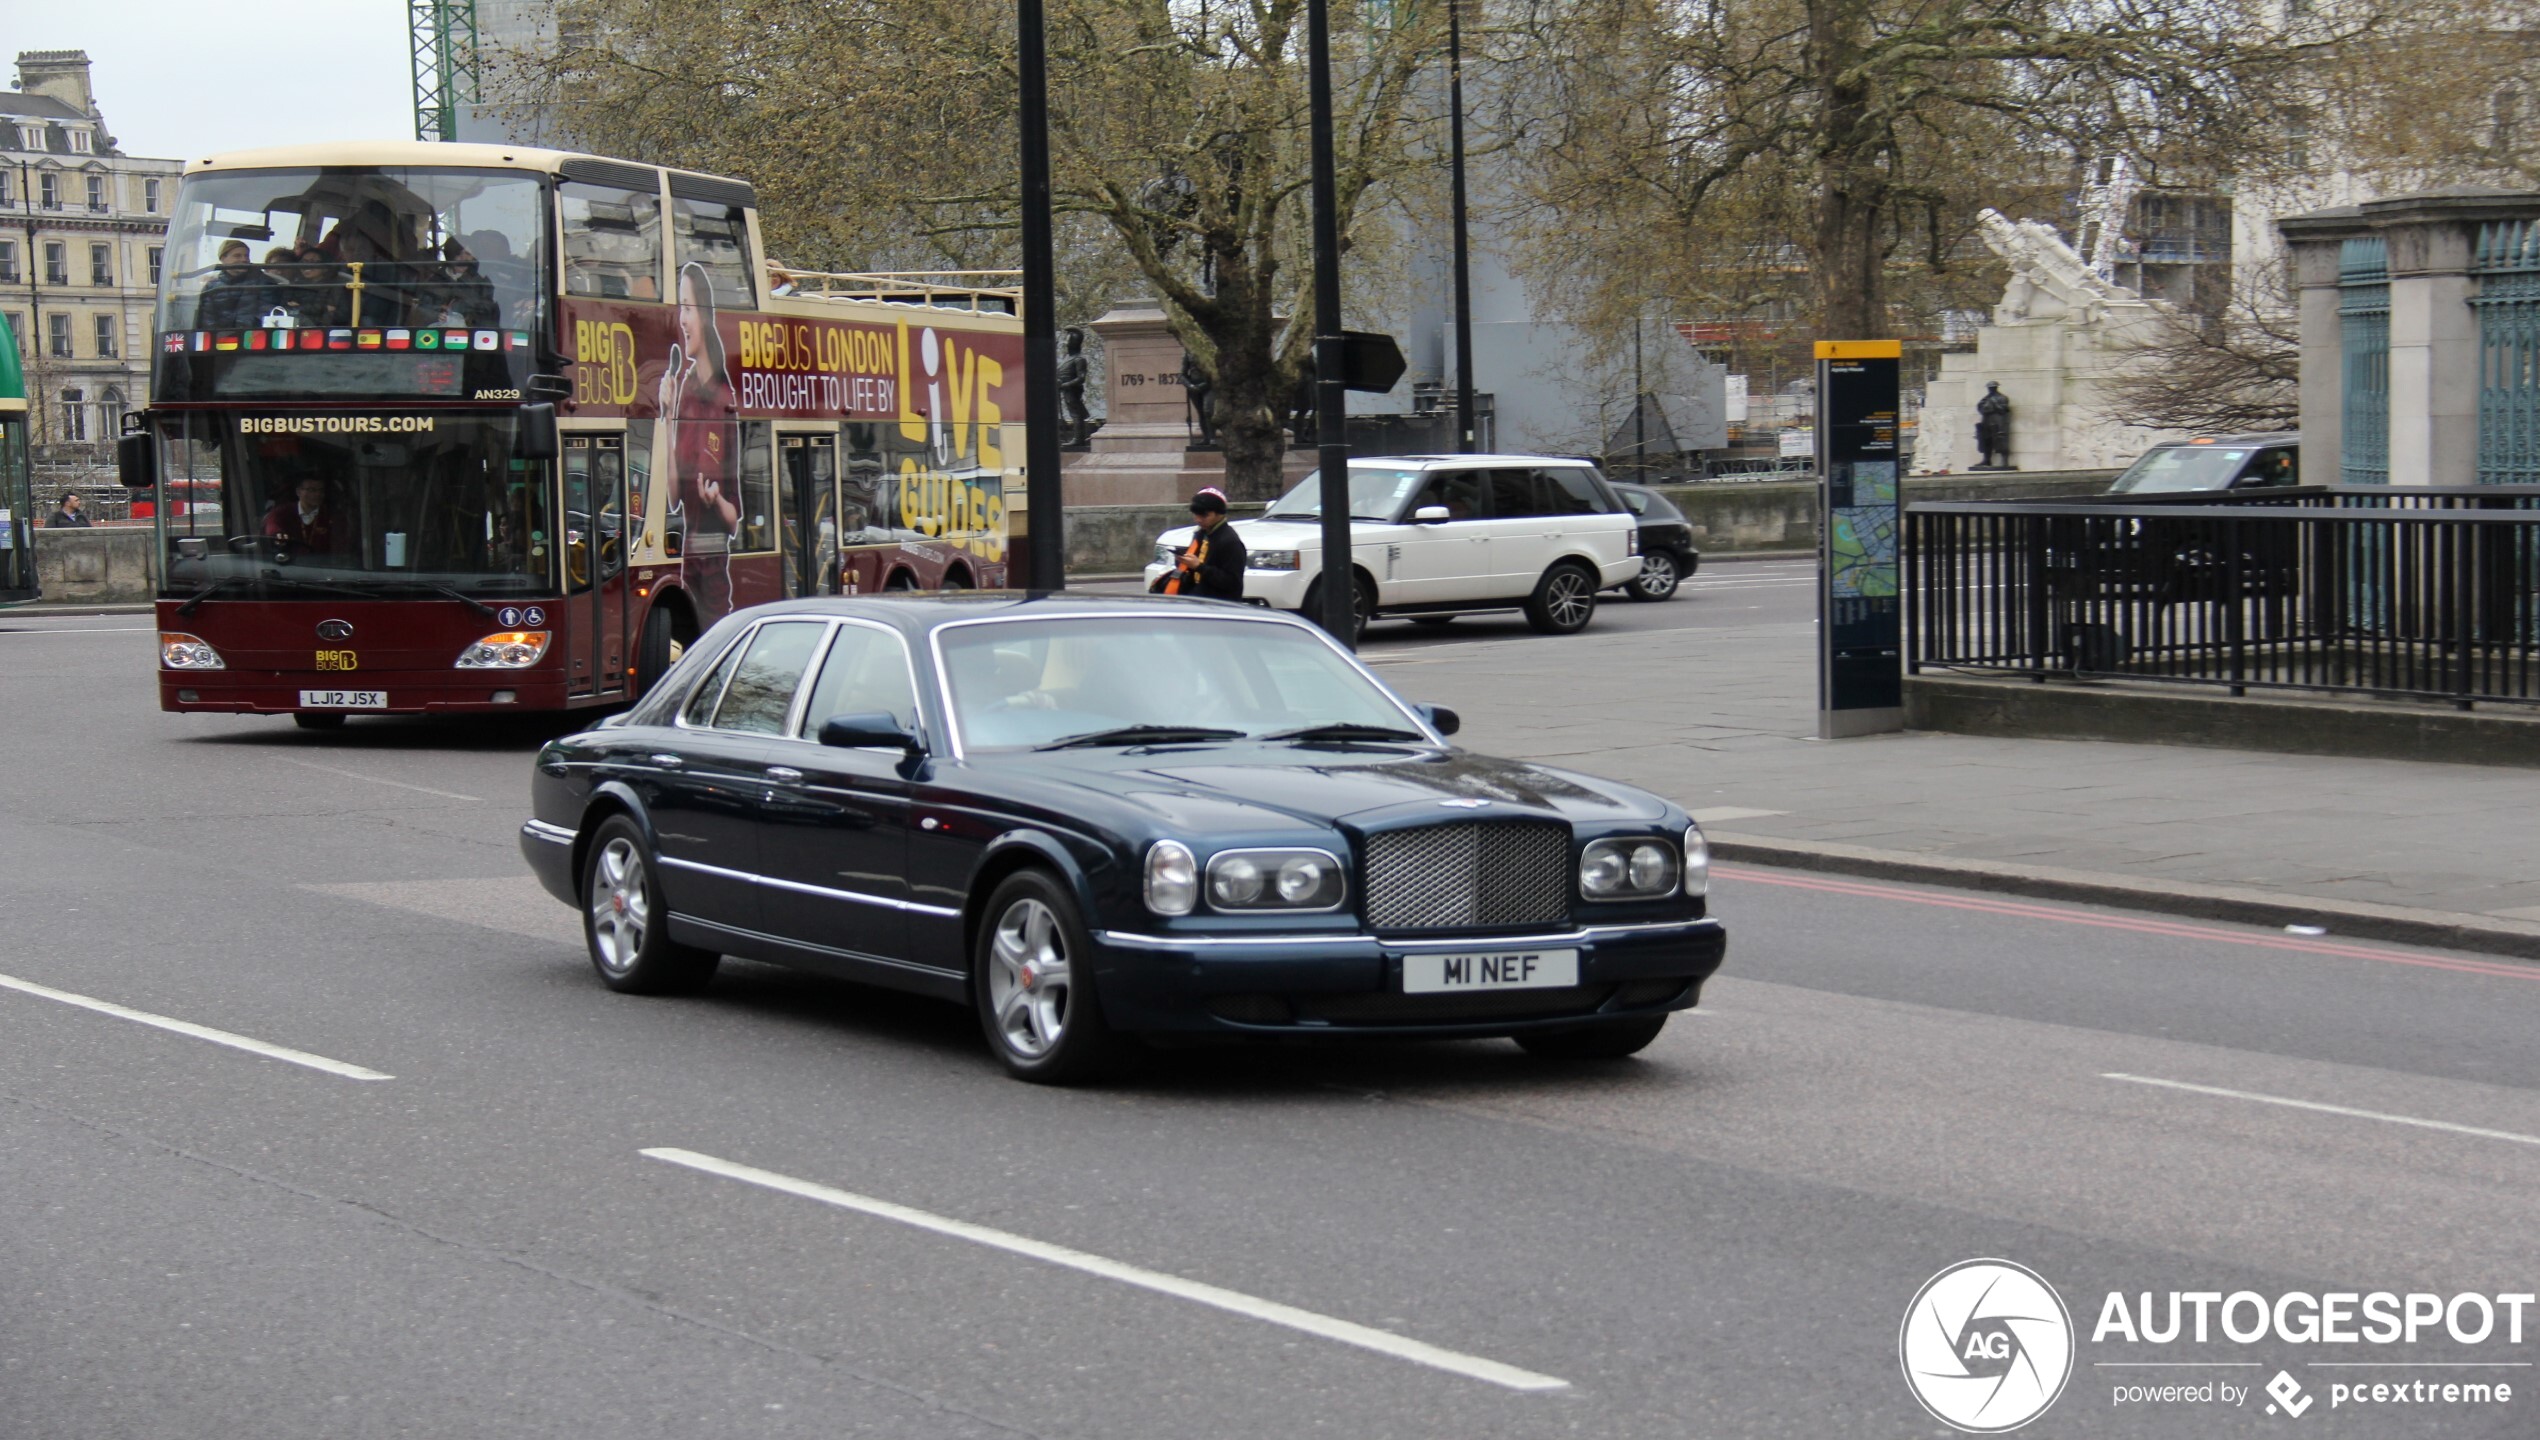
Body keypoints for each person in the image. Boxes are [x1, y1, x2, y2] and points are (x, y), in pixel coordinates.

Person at [659, 261, 739, 618]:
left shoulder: (725, 398)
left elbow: (735, 518)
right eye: (680, 309)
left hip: (714, 570)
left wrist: (717, 499)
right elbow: (673, 495)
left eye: (687, 308)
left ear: (705, 316)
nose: (682, 319)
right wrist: (665, 413)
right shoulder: (688, 390)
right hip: (688, 563)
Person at [1154, 486, 1246, 599]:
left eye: (1204, 515)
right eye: (1196, 514)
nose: (1198, 519)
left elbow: (1232, 582)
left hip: (1219, 605)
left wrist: (1199, 566)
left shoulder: (1230, 541)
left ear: (1219, 514)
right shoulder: (1201, 533)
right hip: (1199, 598)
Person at [195, 240, 272, 330]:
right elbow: (207, 319)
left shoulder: (263, 281)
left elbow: (267, 313)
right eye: (237, 256)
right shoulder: (211, 287)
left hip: (254, 338)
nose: (244, 259)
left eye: (246, 256)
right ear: (223, 259)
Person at [265, 476, 349, 555]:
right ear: (298, 492)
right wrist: (277, 533)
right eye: (311, 490)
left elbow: (340, 545)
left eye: (321, 490)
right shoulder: (283, 512)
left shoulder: (332, 515)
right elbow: (272, 523)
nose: (317, 494)